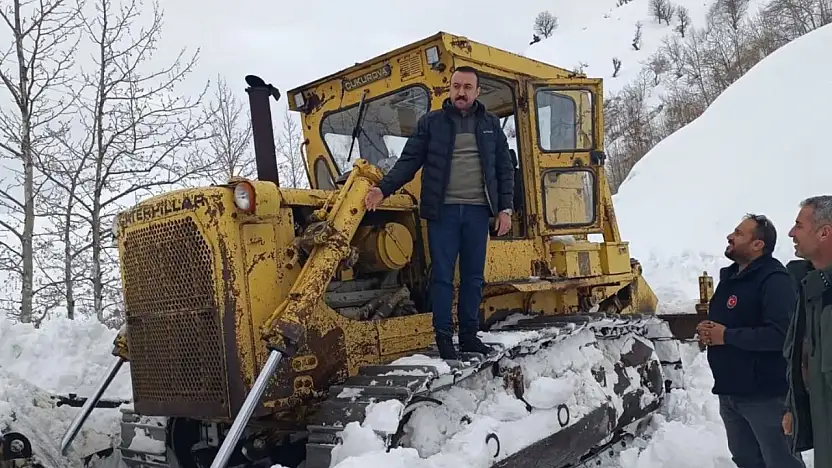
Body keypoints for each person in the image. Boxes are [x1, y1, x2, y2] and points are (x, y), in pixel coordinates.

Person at [364, 65, 515, 360]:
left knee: (473, 278)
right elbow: (409, 162)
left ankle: (470, 336)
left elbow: (504, 169)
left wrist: (504, 209)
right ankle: (444, 338)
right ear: (450, 88)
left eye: (467, 87)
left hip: (477, 213)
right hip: (442, 214)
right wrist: (383, 189)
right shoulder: (431, 124)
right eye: (457, 86)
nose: (461, 92)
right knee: (442, 277)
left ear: (477, 91)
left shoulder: (490, 125)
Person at [696, 213, 805, 468]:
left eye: (739, 233)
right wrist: (708, 329)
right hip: (731, 392)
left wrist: (726, 336)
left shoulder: (775, 280)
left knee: (781, 461)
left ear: (758, 245)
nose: (730, 236)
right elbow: (728, 323)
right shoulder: (730, 279)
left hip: (765, 396)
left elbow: (782, 334)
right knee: (746, 460)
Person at [783, 195, 832, 468]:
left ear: (824, 232)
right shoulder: (810, 289)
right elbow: (802, 357)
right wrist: (795, 406)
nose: (791, 233)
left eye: (799, 225)